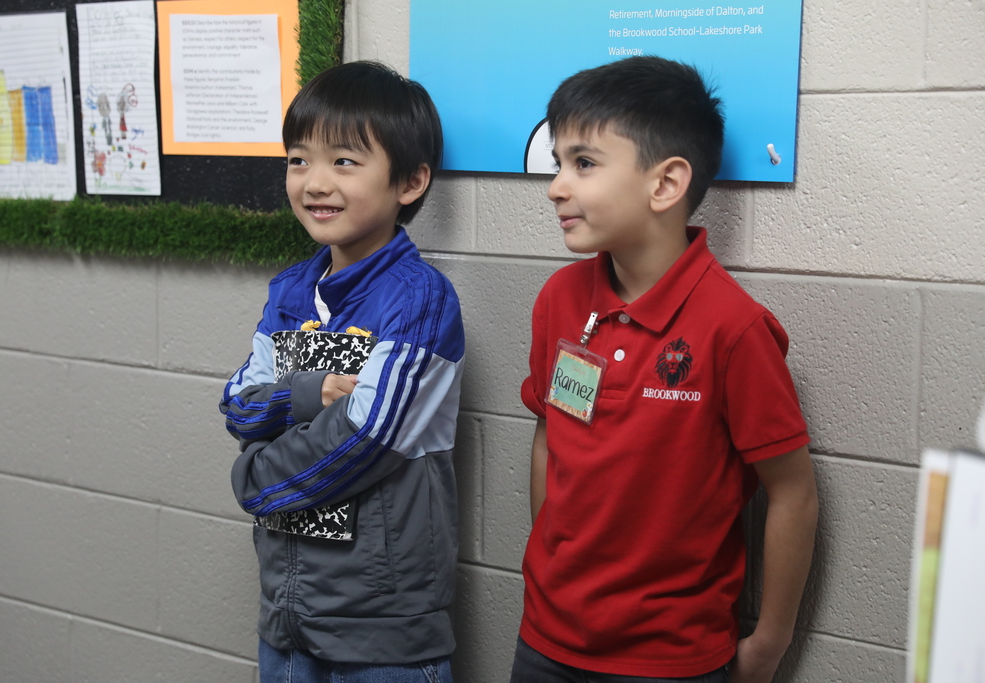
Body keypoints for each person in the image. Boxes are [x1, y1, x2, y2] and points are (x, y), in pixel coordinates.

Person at [511, 56, 819, 683]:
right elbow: (550, 435)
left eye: (584, 163)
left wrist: (770, 641)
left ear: (665, 184)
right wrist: (549, 561)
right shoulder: (559, 300)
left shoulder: (733, 329)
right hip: (546, 642)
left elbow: (794, 492)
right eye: (558, 164)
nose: (556, 187)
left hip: (671, 659)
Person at [219, 61, 464, 683]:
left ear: (410, 182)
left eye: (344, 163)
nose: (314, 182)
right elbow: (238, 400)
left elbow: (366, 438)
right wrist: (306, 394)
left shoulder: (418, 299)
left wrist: (253, 480)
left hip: (383, 636)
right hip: (287, 616)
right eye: (299, 160)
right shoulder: (290, 292)